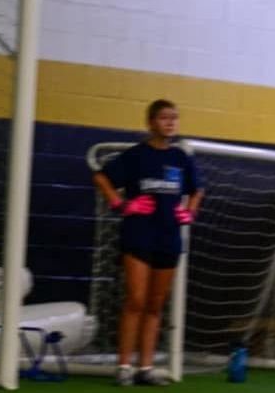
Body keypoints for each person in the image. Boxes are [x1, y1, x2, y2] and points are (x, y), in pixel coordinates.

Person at [92, 100, 203, 387]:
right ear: (151, 122)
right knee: (136, 301)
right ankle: (125, 366)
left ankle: (146, 368)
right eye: (164, 118)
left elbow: (197, 190)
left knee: (155, 305)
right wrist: (121, 204)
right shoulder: (136, 156)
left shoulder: (181, 158)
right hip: (138, 234)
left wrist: (189, 211)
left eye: (174, 118)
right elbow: (101, 177)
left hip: (169, 238)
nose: (170, 123)